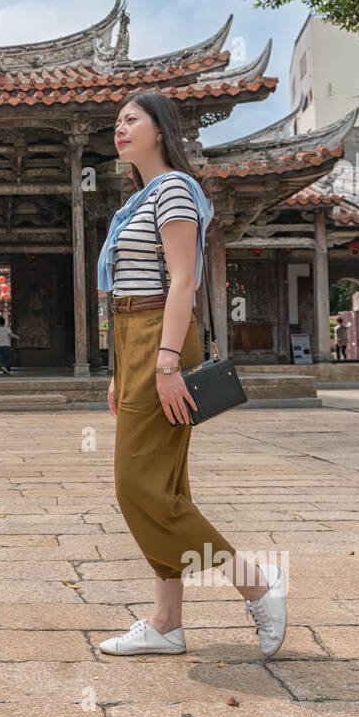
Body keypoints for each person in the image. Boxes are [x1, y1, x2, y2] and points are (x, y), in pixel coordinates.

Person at [95, 89, 286, 658]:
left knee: (138, 489)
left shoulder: (176, 188)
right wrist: (119, 367)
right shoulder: (139, 199)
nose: (119, 128)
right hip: (135, 337)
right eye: (116, 121)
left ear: (161, 129)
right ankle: (165, 623)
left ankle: (257, 582)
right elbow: (125, 294)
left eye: (131, 119)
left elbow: (183, 280)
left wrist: (166, 361)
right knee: (165, 486)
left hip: (160, 336)